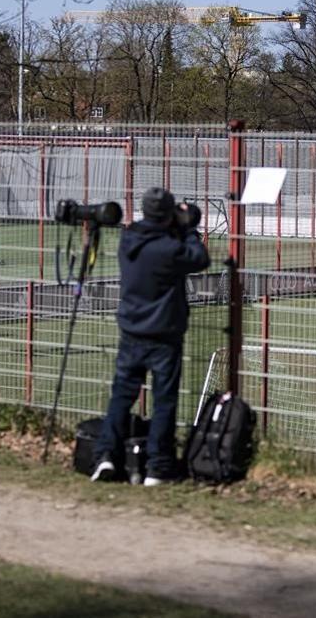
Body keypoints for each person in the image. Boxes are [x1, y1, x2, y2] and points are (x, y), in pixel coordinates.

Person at [91, 188, 209, 485]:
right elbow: (200, 258)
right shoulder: (170, 248)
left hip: (131, 331)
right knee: (164, 401)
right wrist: (188, 228)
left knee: (121, 396)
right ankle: (157, 467)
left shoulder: (129, 239)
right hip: (164, 335)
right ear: (168, 214)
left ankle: (106, 456)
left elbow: (153, 234)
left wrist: (173, 226)